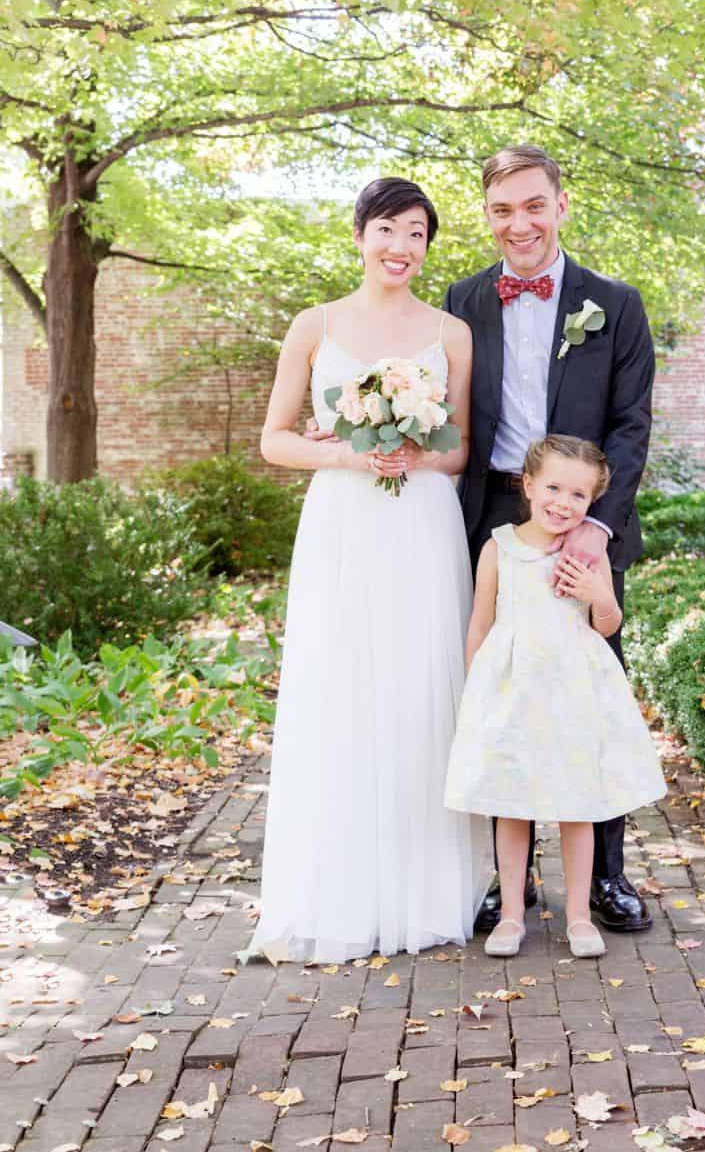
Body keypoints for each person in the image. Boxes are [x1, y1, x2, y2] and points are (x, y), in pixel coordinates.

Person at [249, 177, 491, 963]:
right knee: (342, 687)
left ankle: (429, 890)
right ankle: (339, 890)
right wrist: (350, 451)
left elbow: (460, 449)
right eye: (387, 228)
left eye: (417, 233)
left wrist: (419, 450)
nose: (401, 247)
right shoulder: (313, 326)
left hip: (421, 524)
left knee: (421, 691)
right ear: (359, 234)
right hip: (343, 525)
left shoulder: (451, 332)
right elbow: (275, 440)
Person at [443, 144, 656, 933]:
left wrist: (597, 528)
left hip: (581, 517)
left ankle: (605, 878)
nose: (519, 222)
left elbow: (630, 427)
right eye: (502, 209)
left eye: (534, 205)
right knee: (505, 695)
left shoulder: (615, 303)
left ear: (561, 205)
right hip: (493, 516)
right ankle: (511, 883)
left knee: (585, 696)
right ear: (488, 215)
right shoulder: (462, 300)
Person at [444, 435, 666, 958]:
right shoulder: (499, 547)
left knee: (576, 804)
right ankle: (513, 916)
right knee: (513, 803)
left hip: (571, 690)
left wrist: (598, 595)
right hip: (513, 690)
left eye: (579, 496)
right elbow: (481, 622)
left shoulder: (586, 554)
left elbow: (607, 621)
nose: (563, 504)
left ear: (592, 504)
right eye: (554, 488)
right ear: (527, 485)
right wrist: (476, 690)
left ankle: (579, 917)